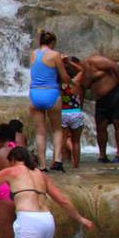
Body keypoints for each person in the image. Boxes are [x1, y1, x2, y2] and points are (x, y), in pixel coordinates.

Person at [26, 31, 70, 171]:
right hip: (51, 92)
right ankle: (57, 160)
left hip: (35, 94)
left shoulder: (33, 54)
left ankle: (43, 165)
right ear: (52, 43)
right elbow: (64, 77)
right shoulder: (55, 54)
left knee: (40, 132)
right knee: (57, 129)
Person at [75, 53, 119, 163]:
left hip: (115, 93)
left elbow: (115, 66)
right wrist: (78, 110)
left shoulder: (93, 61)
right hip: (100, 100)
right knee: (100, 126)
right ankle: (102, 155)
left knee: (118, 122)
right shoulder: (80, 77)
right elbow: (81, 92)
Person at [57, 82, 87, 170]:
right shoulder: (78, 86)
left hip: (64, 113)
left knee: (63, 140)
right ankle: (76, 165)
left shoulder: (61, 87)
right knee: (76, 141)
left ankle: (58, 162)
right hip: (76, 112)